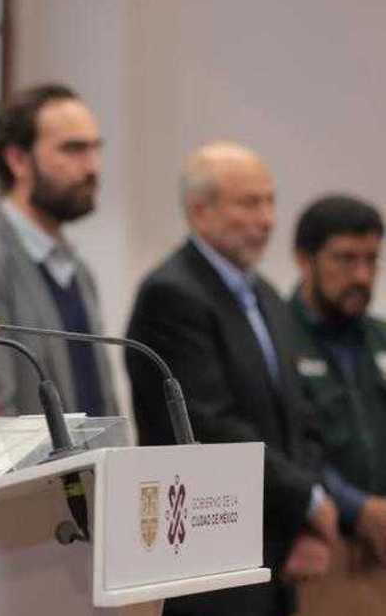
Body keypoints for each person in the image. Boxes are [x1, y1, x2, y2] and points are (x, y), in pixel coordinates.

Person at [125, 142, 337, 615]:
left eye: (270, 201)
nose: (267, 219)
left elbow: (302, 413)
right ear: (200, 210)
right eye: (249, 203)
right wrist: (304, 499)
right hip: (210, 552)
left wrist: (305, 512)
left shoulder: (264, 294)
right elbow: (209, 425)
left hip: (276, 547)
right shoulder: (172, 294)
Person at [0, 84, 117, 417]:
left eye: (96, 149)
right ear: (18, 160)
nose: (92, 166)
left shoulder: (78, 269)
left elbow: (103, 401)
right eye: (73, 149)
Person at [290, 194, 386, 564]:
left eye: (371, 260)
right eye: (346, 259)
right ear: (304, 259)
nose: (361, 276)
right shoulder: (278, 340)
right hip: (319, 544)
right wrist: (356, 507)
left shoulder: (380, 338)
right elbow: (286, 444)